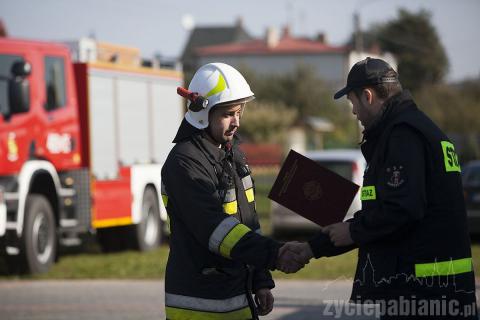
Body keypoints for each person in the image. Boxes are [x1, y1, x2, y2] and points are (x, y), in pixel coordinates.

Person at [285, 57, 478, 319]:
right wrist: (313, 248)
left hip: (422, 295)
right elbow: (384, 214)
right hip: (438, 294)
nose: (354, 112)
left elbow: (402, 209)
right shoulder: (418, 128)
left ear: (367, 96)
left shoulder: (402, 135)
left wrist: (353, 230)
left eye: (352, 103)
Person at [161, 62, 305, 320]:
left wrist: (261, 280)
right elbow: (216, 228)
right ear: (202, 113)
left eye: (240, 112)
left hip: (235, 296)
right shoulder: (184, 163)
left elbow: (249, 221)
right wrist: (274, 253)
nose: (237, 122)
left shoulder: (232, 155)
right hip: (198, 305)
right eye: (228, 114)